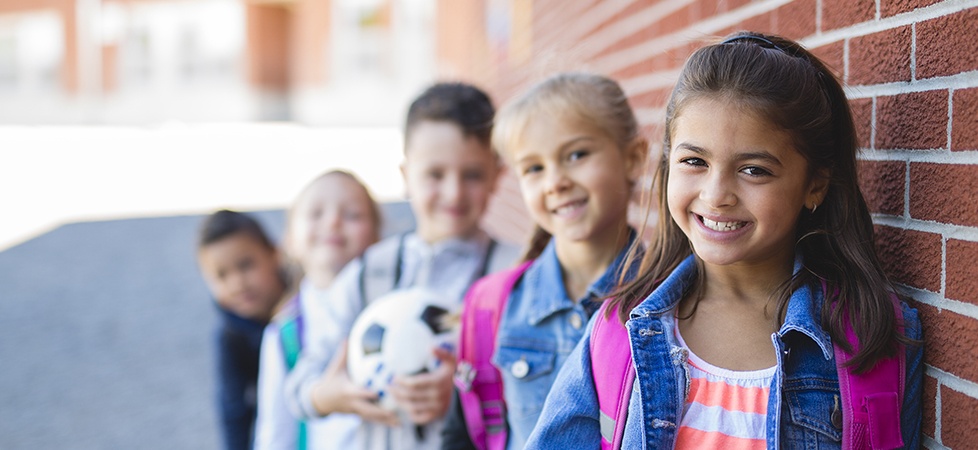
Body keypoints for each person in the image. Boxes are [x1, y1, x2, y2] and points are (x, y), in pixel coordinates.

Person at [526, 32, 924, 449]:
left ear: (815, 186)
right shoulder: (618, 332)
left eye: (754, 170)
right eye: (694, 161)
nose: (717, 195)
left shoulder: (875, 338)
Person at [283, 82, 520, 450]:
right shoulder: (368, 273)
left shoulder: (513, 275)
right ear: (405, 175)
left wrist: (465, 392)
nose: (454, 192)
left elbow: (534, 390)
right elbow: (300, 387)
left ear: (496, 175)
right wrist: (332, 394)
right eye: (435, 175)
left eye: (472, 174)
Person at [441, 73, 647, 450]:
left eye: (576, 155)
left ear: (633, 159)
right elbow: (463, 438)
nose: (555, 182)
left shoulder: (671, 300)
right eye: (534, 168)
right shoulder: (493, 306)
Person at [254, 171, 382, 450]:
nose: (333, 222)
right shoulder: (285, 332)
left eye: (352, 215)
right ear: (290, 240)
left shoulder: (391, 309)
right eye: (315, 213)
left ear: (376, 237)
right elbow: (275, 431)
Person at [197, 209, 289, 450]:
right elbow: (233, 410)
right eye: (221, 275)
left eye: (246, 265)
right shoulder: (230, 336)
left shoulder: (307, 302)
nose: (237, 283)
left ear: (274, 253)